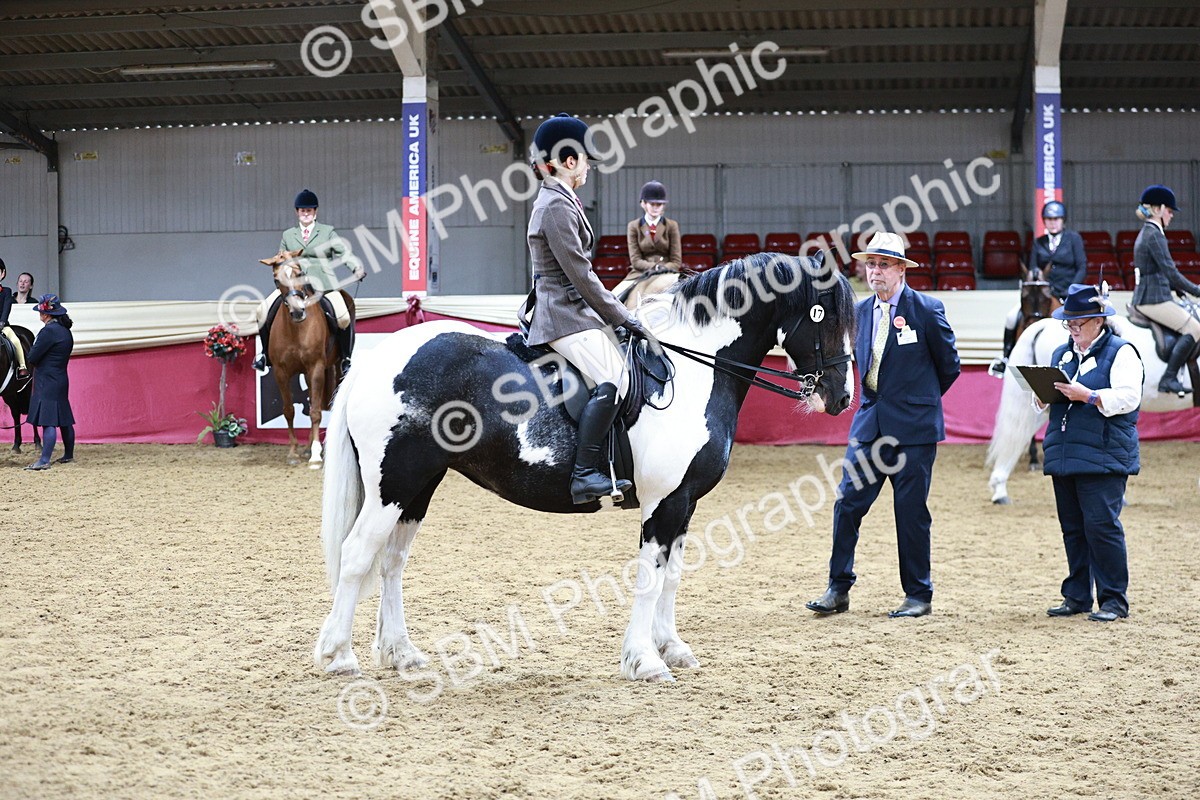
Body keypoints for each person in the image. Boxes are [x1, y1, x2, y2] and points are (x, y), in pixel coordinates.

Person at [806, 231, 960, 618]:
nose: (874, 271)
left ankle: (918, 595)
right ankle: (837, 588)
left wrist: (917, 400)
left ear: (902, 269)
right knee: (847, 504)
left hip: (914, 429)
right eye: (870, 264)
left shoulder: (927, 309)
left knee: (910, 512)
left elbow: (949, 367)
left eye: (883, 264)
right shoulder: (857, 312)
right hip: (870, 424)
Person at [525, 113, 652, 504]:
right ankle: (584, 474)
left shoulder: (562, 200)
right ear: (568, 161)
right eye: (585, 160)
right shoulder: (555, 206)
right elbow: (581, 276)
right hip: (562, 315)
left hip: (572, 310)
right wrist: (623, 317)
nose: (589, 167)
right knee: (615, 378)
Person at [1035, 283, 1142, 621]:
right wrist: (1039, 396)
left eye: (1078, 323)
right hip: (1065, 452)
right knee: (1073, 528)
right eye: (1068, 323)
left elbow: (1129, 398)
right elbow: (1049, 401)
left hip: (1104, 453)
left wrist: (1090, 396)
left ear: (1099, 321)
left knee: (1102, 526)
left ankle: (1113, 600)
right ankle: (1077, 595)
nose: (1072, 329)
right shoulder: (1061, 354)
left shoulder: (1122, 351)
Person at [252, 189, 366, 374]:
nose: (306, 214)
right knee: (261, 311)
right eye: (303, 211)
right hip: (293, 285)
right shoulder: (289, 235)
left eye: (310, 211)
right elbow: (281, 257)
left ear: (315, 212)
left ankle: (345, 358)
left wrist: (355, 267)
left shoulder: (327, 232)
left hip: (323, 284)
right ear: (297, 212)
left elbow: (343, 252)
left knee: (344, 317)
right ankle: (265, 355)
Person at [994, 201, 1086, 374]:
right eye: (1049, 219)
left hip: (1068, 292)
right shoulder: (1039, 243)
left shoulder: (1073, 239)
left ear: (1063, 220)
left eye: (1056, 219)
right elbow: (1033, 268)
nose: (1053, 222)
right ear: (1044, 221)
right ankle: (1006, 357)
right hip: (1043, 295)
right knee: (1011, 317)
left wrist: (1071, 290)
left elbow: (1081, 267)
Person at [1128, 184, 1200, 396]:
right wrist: (1197, 290)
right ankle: (1169, 378)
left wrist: (1177, 291)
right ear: (1158, 209)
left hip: (1153, 294)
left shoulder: (1148, 233)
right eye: (1169, 210)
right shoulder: (1154, 235)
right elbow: (1171, 272)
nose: (1171, 215)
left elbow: (1158, 272)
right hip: (1153, 300)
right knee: (1195, 329)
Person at [24, 294, 76, 470]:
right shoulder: (65, 331)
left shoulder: (48, 331)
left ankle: (44, 460)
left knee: (49, 420)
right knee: (64, 418)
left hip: (47, 380)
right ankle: (68, 455)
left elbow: (32, 356)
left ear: (46, 314)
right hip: (60, 378)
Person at [611, 180, 683, 299]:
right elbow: (635, 260)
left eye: (659, 205)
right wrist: (654, 267)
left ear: (663, 206)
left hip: (667, 272)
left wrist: (663, 268)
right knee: (613, 297)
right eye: (652, 204)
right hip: (640, 272)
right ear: (643, 204)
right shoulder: (634, 226)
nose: (655, 208)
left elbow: (676, 261)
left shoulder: (671, 225)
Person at [0, 258, 30, 380]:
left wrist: (2, 322)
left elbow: (6, 308)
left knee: (15, 340)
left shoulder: (6, 291)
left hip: (2, 326)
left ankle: (22, 367)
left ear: (2, 274)